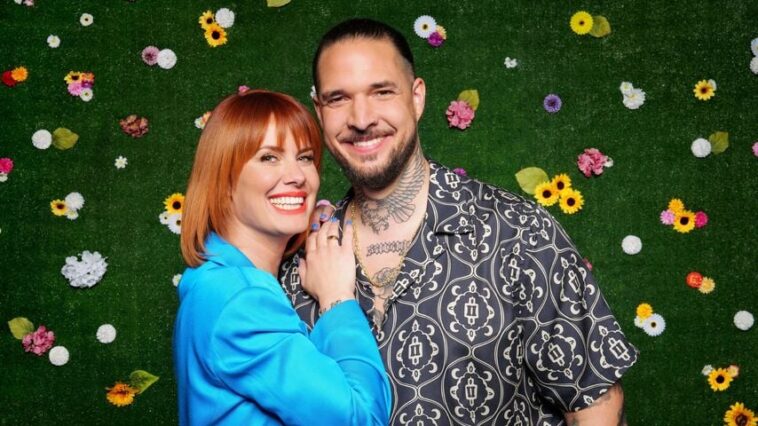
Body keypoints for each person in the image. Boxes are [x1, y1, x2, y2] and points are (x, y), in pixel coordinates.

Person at [279, 19, 638, 425]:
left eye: (382, 92)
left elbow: (596, 405)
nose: (361, 118)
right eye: (338, 98)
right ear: (319, 112)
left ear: (417, 97)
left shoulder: (519, 233)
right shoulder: (298, 260)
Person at [173, 89, 391, 425]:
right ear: (224, 179)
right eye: (269, 158)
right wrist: (337, 298)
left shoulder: (213, 281)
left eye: (304, 157)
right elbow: (361, 418)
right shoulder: (240, 300)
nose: (298, 176)